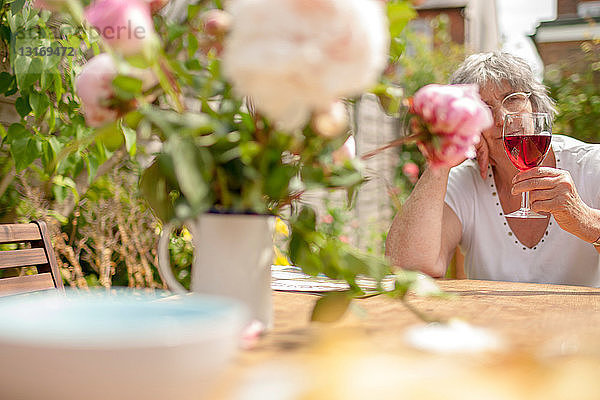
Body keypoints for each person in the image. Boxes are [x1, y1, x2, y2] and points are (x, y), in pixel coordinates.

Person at [385, 52, 600, 287]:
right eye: (483, 108)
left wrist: (588, 222)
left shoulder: (591, 165)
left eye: (513, 99)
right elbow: (408, 268)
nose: (501, 118)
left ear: (536, 106)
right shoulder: (463, 180)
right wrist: (443, 160)